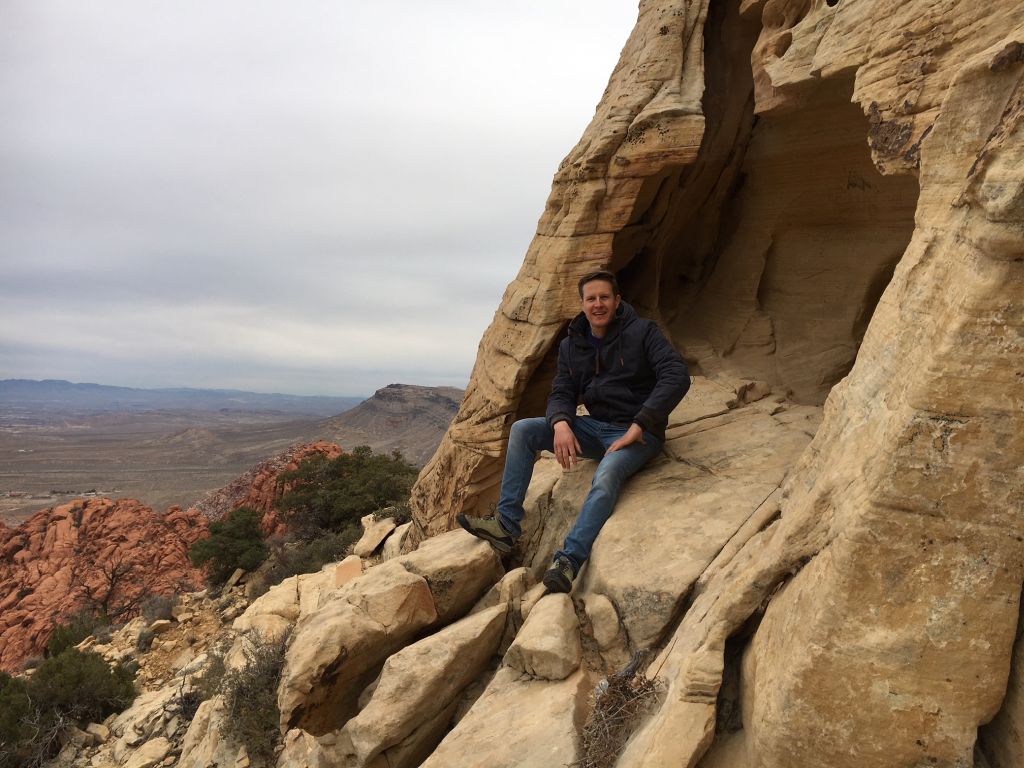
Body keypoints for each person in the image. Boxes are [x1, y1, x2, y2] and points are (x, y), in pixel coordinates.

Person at [457, 269, 690, 592]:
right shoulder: (573, 345)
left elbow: (676, 375)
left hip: (638, 433)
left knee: (606, 476)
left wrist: (642, 423)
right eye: (591, 298)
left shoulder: (642, 332)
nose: (598, 304)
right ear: (582, 304)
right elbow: (562, 391)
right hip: (594, 428)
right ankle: (506, 524)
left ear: (617, 300)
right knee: (525, 430)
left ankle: (568, 560)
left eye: (604, 297)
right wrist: (562, 422)